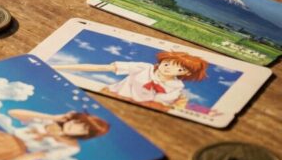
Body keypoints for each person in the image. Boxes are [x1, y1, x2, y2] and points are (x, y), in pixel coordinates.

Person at [54, 51, 208, 109]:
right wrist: (58, 67)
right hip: (107, 96)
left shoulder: (176, 86)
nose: (167, 68)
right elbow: (102, 68)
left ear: (186, 72)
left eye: (177, 68)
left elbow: (159, 105)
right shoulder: (144, 68)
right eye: (166, 63)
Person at [0, 110, 110, 160]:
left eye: (82, 128)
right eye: (77, 122)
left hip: (13, 150)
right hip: (3, 137)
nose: (74, 126)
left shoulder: (72, 147)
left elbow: (37, 156)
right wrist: (52, 117)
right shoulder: (51, 122)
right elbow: (13, 113)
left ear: (86, 135)